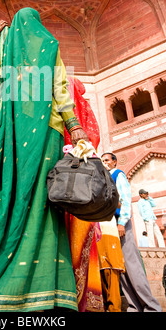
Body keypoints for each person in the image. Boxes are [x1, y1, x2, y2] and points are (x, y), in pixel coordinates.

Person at [0, 8, 89, 312]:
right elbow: (59, 87)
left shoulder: (2, 43)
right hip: (47, 130)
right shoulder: (48, 43)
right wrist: (74, 125)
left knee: (9, 198)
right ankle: (44, 290)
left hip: (10, 129)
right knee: (41, 204)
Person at [101, 152, 162, 312]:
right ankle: (134, 306)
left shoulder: (117, 174)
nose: (104, 162)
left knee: (132, 266)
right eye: (102, 160)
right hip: (110, 225)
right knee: (121, 268)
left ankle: (152, 307)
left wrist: (122, 223)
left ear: (114, 162)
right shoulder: (105, 177)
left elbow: (125, 200)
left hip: (120, 224)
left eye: (107, 160)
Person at [64, 77, 104, 312]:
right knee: (82, 243)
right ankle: (87, 302)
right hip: (82, 185)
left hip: (60, 179)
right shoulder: (84, 109)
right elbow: (93, 138)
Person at [96, 217, 125, 312]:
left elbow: (123, 204)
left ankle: (115, 308)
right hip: (94, 231)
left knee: (112, 269)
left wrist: (122, 223)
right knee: (99, 269)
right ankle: (104, 306)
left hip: (109, 230)